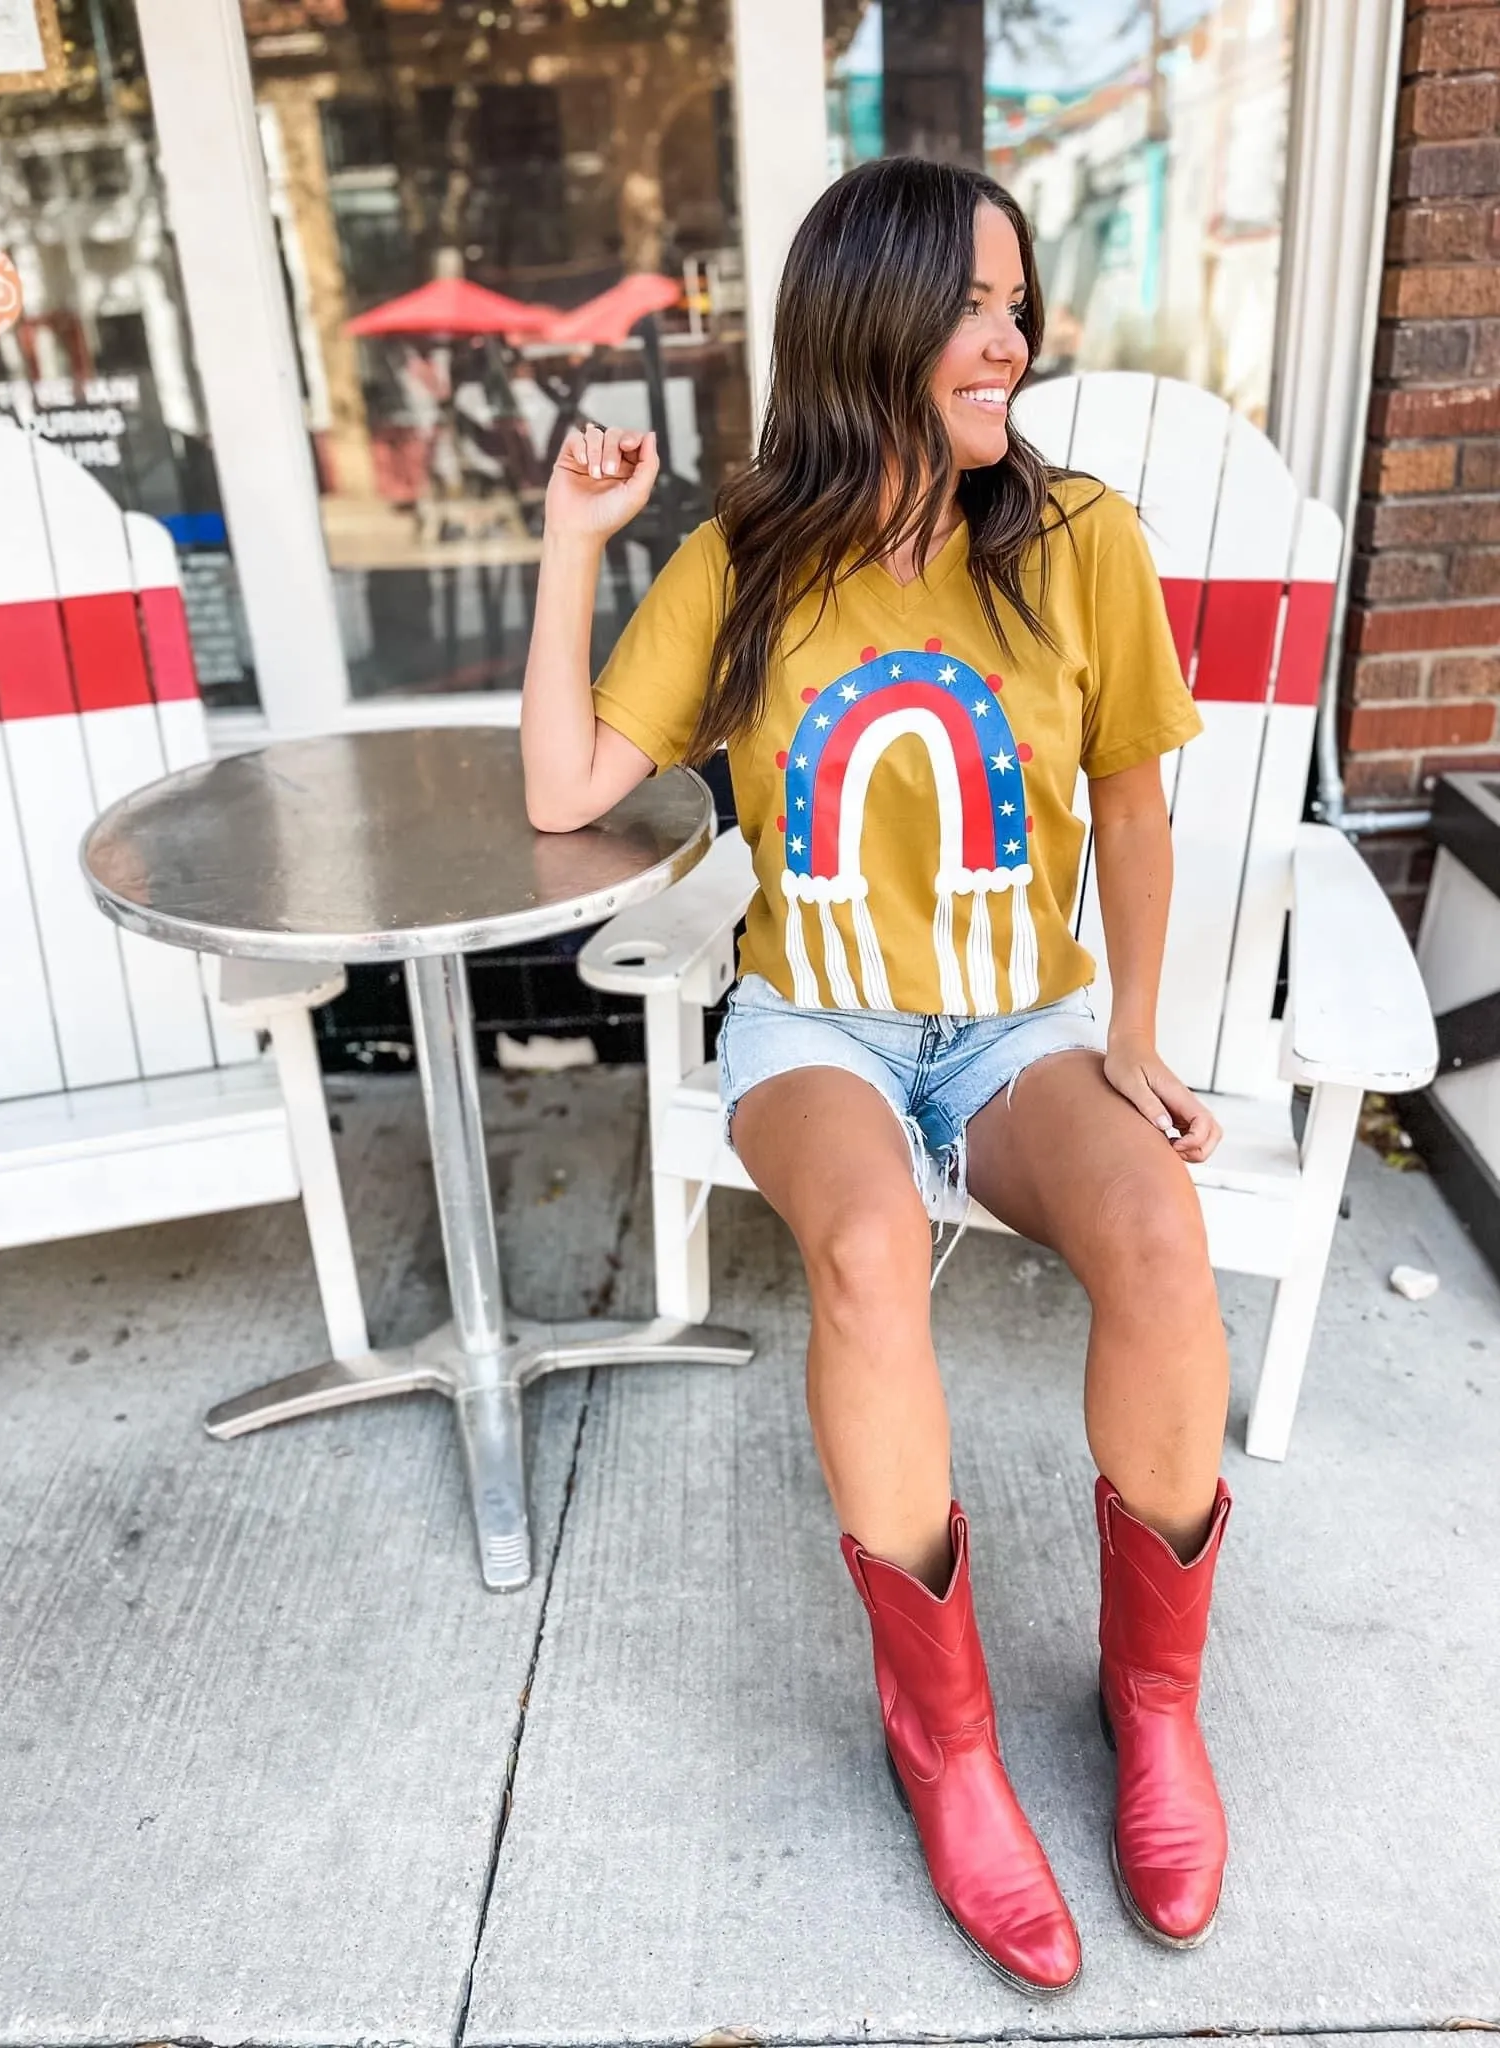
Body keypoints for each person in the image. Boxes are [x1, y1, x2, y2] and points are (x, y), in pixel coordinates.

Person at [520, 157, 1232, 1995]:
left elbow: (1137, 812)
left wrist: (1134, 1036)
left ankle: (1154, 1710)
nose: (1007, 340)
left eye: (1017, 305)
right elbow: (565, 793)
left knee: (1156, 1223)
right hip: (816, 1023)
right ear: (869, 325)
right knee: (856, 1258)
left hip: (1020, 1025)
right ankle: (949, 1741)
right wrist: (573, 548)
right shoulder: (746, 558)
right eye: (970, 307)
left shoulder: (1083, 541)